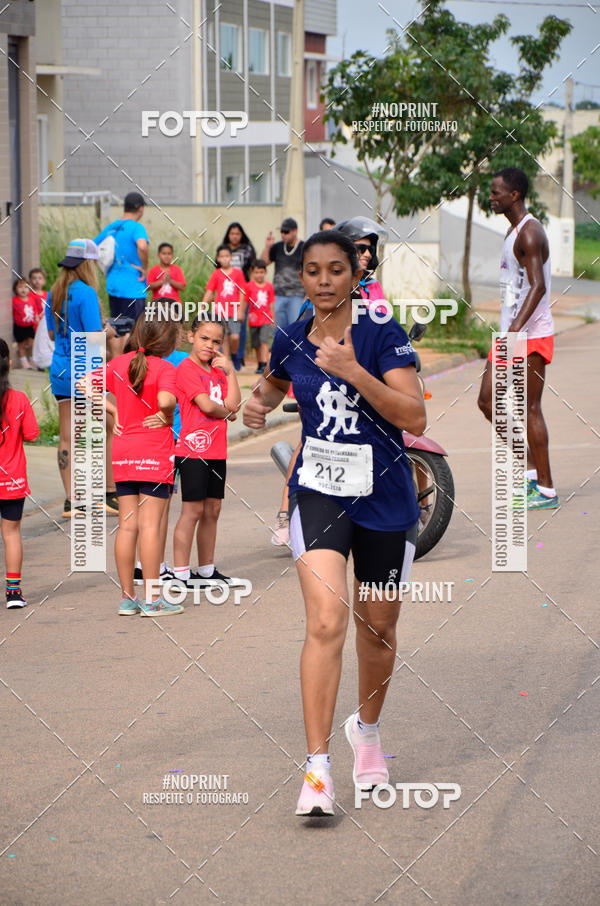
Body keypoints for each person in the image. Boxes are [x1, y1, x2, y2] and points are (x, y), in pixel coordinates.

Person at [244, 230, 425, 816]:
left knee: (379, 628)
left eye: (336, 270)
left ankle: (365, 732)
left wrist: (354, 372)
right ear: (302, 277)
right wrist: (257, 403)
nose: (324, 280)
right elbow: (274, 383)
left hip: (385, 497)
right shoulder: (292, 336)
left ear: (354, 274)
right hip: (320, 491)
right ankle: (317, 769)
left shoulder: (382, 333)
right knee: (326, 621)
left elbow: (414, 415)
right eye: (313, 270)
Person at [87, 315, 183, 617]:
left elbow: (84, 383)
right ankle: (153, 600)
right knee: (150, 525)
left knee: (127, 525)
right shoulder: (165, 368)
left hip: (124, 451)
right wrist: (167, 414)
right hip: (154, 452)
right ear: (169, 342)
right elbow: (166, 400)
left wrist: (112, 411)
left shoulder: (119, 363)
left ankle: (127, 598)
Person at [478, 167, 558, 510]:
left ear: (514, 195)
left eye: (496, 192)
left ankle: (546, 489)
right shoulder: (513, 233)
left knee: (530, 408)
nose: (491, 197)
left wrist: (515, 331)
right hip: (511, 333)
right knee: (487, 401)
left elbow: (538, 287)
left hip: (531, 334)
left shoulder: (530, 233)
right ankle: (530, 470)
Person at [45, 239, 120, 518]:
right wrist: (109, 332)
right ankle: (109, 494)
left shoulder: (54, 292)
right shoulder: (86, 293)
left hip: (61, 370)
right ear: (87, 263)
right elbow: (93, 339)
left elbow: (52, 334)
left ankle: (72, 502)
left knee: (67, 437)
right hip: (86, 371)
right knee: (110, 426)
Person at [171, 316, 244, 590]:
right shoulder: (186, 369)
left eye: (216, 341)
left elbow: (234, 406)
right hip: (192, 450)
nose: (209, 345)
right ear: (191, 337)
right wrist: (226, 413)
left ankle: (206, 570)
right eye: (204, 338)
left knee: (213, 509)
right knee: (192, 510)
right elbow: (208, 406)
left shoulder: (218, 372)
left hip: (217, 450)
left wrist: (231, 373)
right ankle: (180, 573)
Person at [133, 319, 188, 588]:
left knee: (137, 512)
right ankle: (156, 566)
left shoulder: (135, 360)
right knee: (160, 509)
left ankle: (140, 565)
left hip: (137, 441)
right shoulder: (181, 361)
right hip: (169, 439)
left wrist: (115, 415)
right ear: (174, 334)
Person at [0, 338, 39, 607]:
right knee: (11, 534)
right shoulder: (19, 399)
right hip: (12, 480)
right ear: (10, 363)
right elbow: (33, 434)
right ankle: (13, 593)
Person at [94, 191, 149, 322]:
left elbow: (92, 248)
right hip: (133, 288)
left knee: (117, 327)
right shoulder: (137, 227)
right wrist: (144, 268)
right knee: (135, 330)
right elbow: (142, 246)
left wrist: (103, 268)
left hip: (113, 286)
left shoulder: (111, 227)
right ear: (141, 209)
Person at [202, 245, 247, 363]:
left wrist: (241, 310)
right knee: (224, 338)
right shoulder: (216, 274)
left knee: (235, 336)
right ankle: (226, 362)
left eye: (227, 256)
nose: (225, 258)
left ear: (231, 257)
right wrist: (202, 307)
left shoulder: (238, 273)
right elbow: (209, 291)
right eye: (222, 256)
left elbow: (242, 292)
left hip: (234, 311)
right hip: (220, 312)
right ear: (218, 258)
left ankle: (234, 354)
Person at [223, 222, 256, 370]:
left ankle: (239, 356)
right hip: (226, 295)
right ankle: (225, 357)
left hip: (242, 293)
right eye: (232, 233)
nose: (235, 236)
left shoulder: (247, 249)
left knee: (241, 325)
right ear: (228, 235)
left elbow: (253, 269)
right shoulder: (224, 249)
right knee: (224, 328)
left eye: (237, 233)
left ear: (241, 235)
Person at [261, 217, 305, 328]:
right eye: (281, 231)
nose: (283, 234)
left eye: (286, 231)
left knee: (295, 328)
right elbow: (263, 263)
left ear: (295, 231)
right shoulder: (277, 247)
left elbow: (310, 272)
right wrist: (267, 246)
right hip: (278, 296)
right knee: (278, 330)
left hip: (297, 296)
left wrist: (307, 295)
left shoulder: (304, 247)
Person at [246, 259, 275, 374]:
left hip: (266, 318)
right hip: (253, 319)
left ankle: (265, 364)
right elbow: (245, 302)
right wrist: (240, 314)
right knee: (256, 344)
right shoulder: (249, 286)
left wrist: (272, 318)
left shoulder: (269, 286)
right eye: (256, 272)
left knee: (264, 341)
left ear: (265, 272)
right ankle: (260, 364)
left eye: (261, 272)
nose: (259, 275)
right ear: (252, 273)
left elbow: (271, 303)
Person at [29, 268, 54, 371]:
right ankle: (33, 361)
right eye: (34, 278)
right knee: (34, 342)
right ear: (30, 280)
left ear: (44, 281)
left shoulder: (46, 294)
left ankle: (43, 361)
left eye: (40, 278)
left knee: (44, 341)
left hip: (45, 322)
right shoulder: (30, 294)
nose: (37, 281)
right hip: (35, 322)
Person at [12, 277, 39, 369]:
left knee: (32, 344)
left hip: (30, 326)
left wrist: (36, 316)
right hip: (19, 327)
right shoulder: (14, 300)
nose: (23, 289)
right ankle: (24, 362)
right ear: (15, 289)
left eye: (26, 287)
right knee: (21, 345)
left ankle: (32, 360)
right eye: (20, 287)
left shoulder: (31, 299)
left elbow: (35, 309)